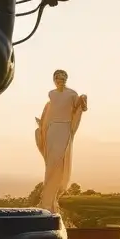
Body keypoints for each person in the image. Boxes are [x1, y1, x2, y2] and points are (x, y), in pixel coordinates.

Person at [34, 69, 88, 213]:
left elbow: (79, 107)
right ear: (54, 80)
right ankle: (47, 201)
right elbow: (49, 111)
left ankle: (53, 198)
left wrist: (83, 98)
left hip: (64, 129)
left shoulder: (72, 94)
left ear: (66, 80)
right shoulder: (51, 94)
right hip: (52, 129)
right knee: (50, 163)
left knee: (60, 161)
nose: (60, 81)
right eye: (58, 78)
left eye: (63, 78)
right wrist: (43, 124)